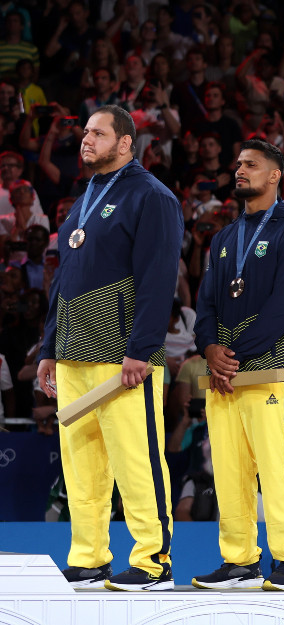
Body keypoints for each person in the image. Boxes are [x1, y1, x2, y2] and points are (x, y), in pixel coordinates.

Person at [36, 105, 184, 591]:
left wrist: (142, 347)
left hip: (124, 354)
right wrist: (48, 347)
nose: (85, 140)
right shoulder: (86, 196)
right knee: (81, 463)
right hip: (75, 348)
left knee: (136, 458)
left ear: (125, 143)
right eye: (84, 133)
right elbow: (65, 280)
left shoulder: (151, 196)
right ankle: (89, 555)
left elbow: (158, 277)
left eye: (97, 133)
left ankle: (152, 560)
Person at [192, 139, 284, 592]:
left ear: (274, 176)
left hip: (266, 368)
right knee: (228, 469)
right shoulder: (225, 237)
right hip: (223, 371)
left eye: (251, 165)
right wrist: (208, 347)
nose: (240, 170)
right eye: (238, 163)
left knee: (275, 464)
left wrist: (234, 353)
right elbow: (205, 302)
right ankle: (239, 560)